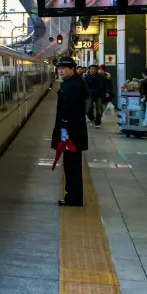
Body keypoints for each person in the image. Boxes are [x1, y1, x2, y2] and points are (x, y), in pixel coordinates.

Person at [53, 58, 89, 206]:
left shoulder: (73, 86)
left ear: (73, 69)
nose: (61, 70)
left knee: (72, 165)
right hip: (73, 131)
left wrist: (64, 133)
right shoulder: (74, 83)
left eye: (65, 68)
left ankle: (73, 197)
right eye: (59, 68)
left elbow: (68, 111)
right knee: (71, 164)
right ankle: (73, 196)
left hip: (70, 133)